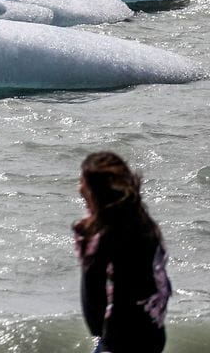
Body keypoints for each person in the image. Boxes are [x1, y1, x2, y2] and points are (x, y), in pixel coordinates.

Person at [73, 151, 172, 353]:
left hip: (120, 342)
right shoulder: (145, 226)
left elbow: (93, 316)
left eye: (82, 182)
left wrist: (85, 243)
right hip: (153, 335)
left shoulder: (103, 237)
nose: (79, 188)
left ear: (95, 190)